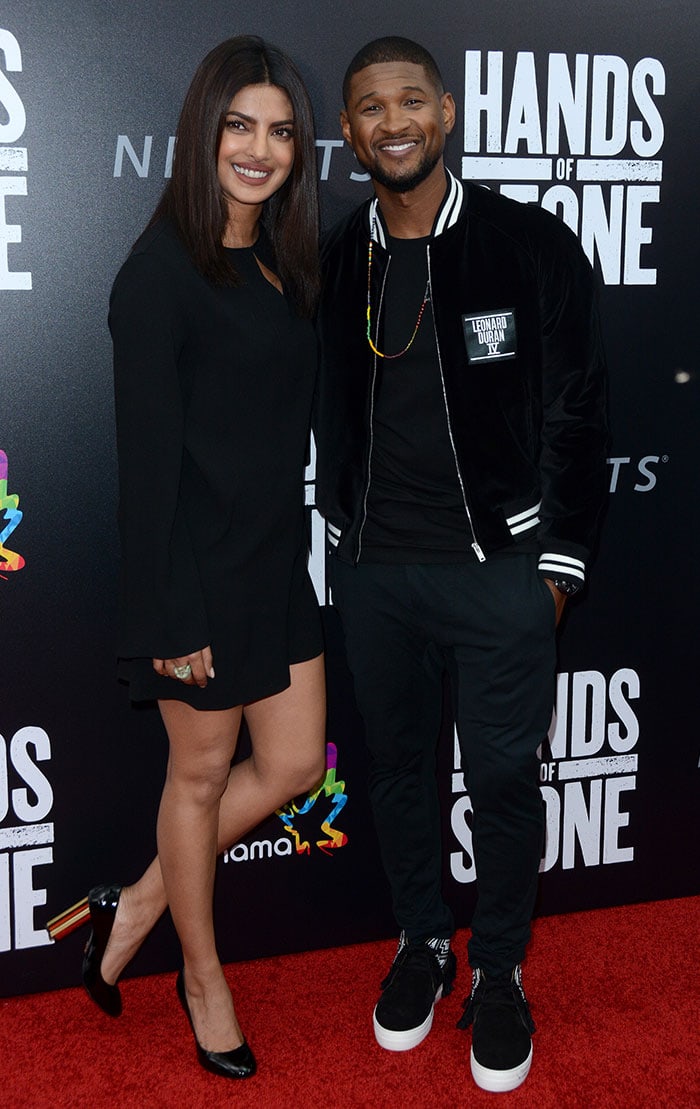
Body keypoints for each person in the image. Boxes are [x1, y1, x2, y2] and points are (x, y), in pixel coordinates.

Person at [314, 37, 608, 1094]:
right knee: (394, 770)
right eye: (366, 107)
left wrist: (555, 568)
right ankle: (421, 941)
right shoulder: (338, 254)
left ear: (443, 112)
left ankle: (500, 972)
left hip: (500, 572)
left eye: (407, 100)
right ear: (348, 133)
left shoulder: (528, 243)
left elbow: (578, 409)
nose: (389, 121)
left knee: (496, 780)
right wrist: (340, 544)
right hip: (375, 574)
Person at [50, 36, 326, 1080]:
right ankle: (201, 977)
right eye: (238, 125)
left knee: (297, 761)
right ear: (204, 135)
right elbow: (147, 470)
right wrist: (172, 618)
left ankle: (139, 899)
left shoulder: (280, 257)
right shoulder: (159, 273)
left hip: (273, 560)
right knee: (200, 778)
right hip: (194, 576)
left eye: (280, 130)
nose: (259, 149)